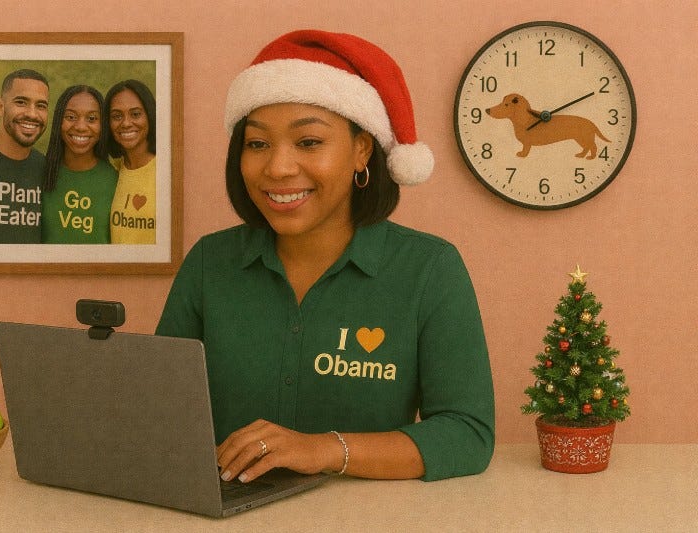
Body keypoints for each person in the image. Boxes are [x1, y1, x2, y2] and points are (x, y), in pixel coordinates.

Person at [156, 30, 494, 483]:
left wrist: (325, 449)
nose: (277, 168)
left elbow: (467, 435)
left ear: (361, 150)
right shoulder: (208, 263)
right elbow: (157, 411)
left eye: (309, 142)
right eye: (257, 144)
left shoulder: (430, 270)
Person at [40, 85, 117, 244]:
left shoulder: (115, 178)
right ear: (58, 121)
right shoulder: (40, 172)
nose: (81, 127)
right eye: (71, 117)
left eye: (92, 119)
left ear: (102, 126)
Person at [0, 69, 49, 244]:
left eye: (41, 106)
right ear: (0, 107)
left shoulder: (49, 170)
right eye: (21, 102)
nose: (32, 114)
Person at [104, 80, 157, 244]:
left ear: (150, 115)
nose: (126, 123)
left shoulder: (167, 171)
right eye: (117, 116)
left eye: (135, 114)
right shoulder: (111, 172)